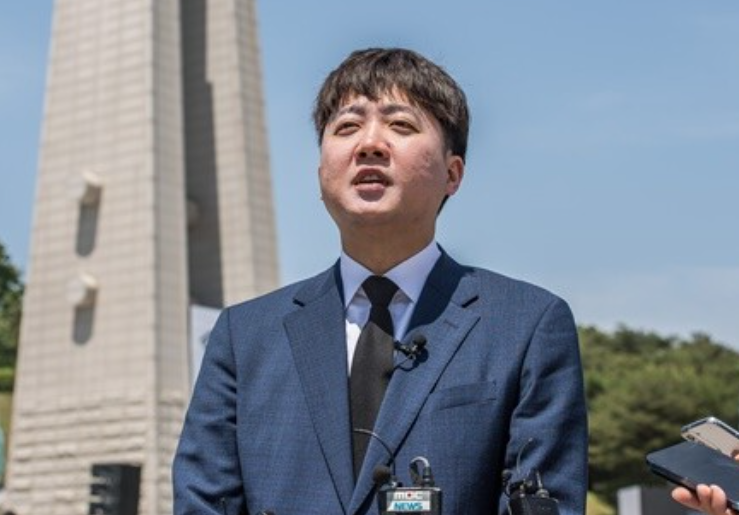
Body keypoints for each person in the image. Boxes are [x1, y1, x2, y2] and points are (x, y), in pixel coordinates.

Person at [173, 47, 588, 515]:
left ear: (452, 174)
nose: (369, 144)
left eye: (401, 125)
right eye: (347, 127)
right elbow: (202, 502)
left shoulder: (527, 324)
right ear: (321, 172)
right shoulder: (244, 336)